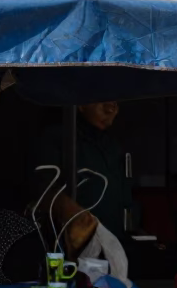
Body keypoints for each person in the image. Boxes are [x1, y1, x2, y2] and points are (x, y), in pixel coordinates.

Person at [32, 101, 136, 252]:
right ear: (81, 104)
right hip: (69, 247)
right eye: (102, 100)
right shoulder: (58, 138)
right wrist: (71, 212)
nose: (109, 109)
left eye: (115, 104)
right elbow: (43, 190)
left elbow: (125, 199)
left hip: (113, 244)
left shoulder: (113, 147)